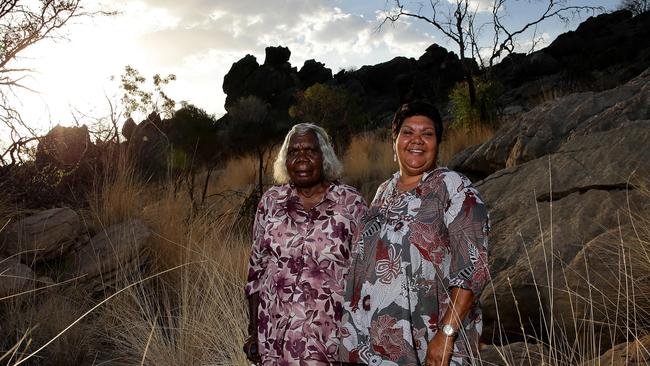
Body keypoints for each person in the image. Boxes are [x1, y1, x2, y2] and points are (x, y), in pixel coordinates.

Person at [339, 101, 490, 366]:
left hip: (431, 338)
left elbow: (473, 268)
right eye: (407, 132)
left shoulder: (453, 187)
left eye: (427, 134)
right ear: (394, 141)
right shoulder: (383, 191)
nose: (416, 140)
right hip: (376, 343)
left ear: (438, 142)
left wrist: (446, 334)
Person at [243, 123, 367, 365]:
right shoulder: (270, 202)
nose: (301, 158)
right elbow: (256, 272)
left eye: (310, 151)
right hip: (275, 337)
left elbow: (365, 278)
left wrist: (359, 340)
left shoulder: (351, 203)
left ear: (325, 157)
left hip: (331, 341)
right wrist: (253, 332)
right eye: (293, 152)